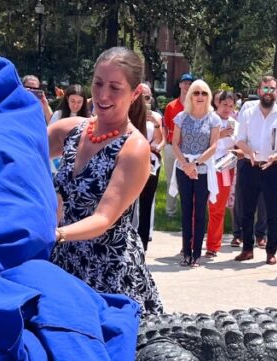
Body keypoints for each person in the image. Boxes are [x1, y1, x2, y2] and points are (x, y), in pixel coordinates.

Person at [47, 46, 162, 316]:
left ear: (135, 94)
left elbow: (103, 219)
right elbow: (18, 154)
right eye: (98, 83)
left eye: (115, 87)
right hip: (64, 262)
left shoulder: (134, 148)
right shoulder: (71, 129)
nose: (102, 94)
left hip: (108, 272)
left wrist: (56, 234)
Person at [232, 75, 277, 265]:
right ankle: (247, 249)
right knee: (246, 211)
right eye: (265, 88)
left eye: (272, 89)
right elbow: (239, 139)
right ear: (259, 91)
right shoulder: (247, 111)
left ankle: (271, 252)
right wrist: (249, 152)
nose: (268, 92)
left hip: (273, 168)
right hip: (251, 166)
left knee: (273, 213)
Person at [169, 79, 221, 267]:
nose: (200, 96)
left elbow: (214, 146)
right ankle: (186, 253)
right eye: (196, 93)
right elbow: (175, 143)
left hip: (203, 169)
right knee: (186, 211)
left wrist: (196, 163)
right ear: (190, 95)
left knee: (200, 211)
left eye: (204, 93)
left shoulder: (213, 118)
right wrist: (186, 164)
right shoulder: (181, 117)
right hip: (183, 167)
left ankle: (197, 254)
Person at [207, 90, 239, 258]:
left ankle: (213, 245)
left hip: (226, 168)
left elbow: (239, 143)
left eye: (231, 106)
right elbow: (202, 140)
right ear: (217, 103)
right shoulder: (209, 119)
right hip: (206, 165)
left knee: (218, 207)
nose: (227, 109)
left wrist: (238, 151)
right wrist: (219, 134)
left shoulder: (235, 123)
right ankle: (191, 243)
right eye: (224, 104)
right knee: (198, 206)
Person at [162, 73, 193, 219]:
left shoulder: (195, 106)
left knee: (189, 181)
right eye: (185, 83)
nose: (187, 86)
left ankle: (188, 212)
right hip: (171, 147)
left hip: (188, 149)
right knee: (170, 180)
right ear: (180, 85)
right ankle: (170, 211)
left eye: (189, 83)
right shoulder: (171, 106)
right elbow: (166, 126)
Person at [137, 82, 163, 251]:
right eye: (140, 97)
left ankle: (143, 244)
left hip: (151, 162)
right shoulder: (127, 114)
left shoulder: (156, 116)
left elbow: (162, 140)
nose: (143, 100)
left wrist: (156, 124)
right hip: (133, 162)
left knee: (146, 203)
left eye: (147, 97)